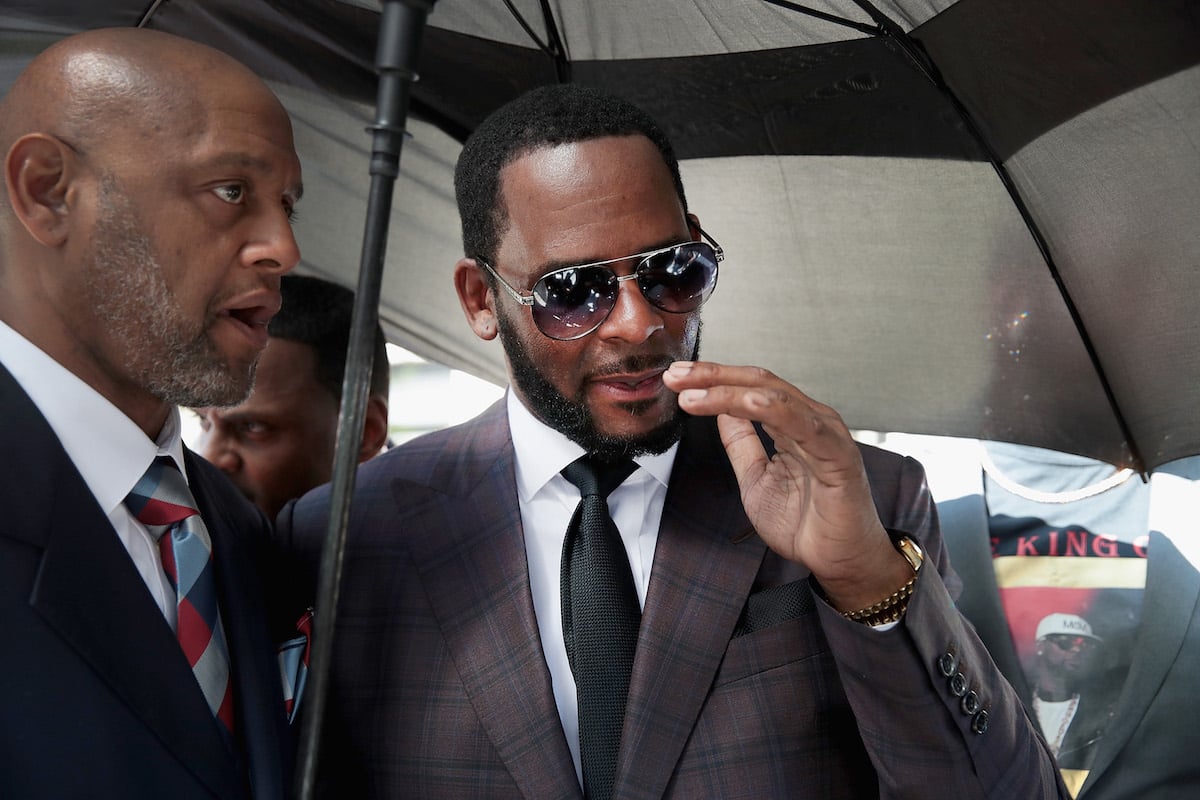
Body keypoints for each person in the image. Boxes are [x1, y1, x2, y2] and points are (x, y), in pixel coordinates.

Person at [273, 84, 1066, 798]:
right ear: (482, 298)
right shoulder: (344, 533)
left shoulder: (859, 497)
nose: (640, 322)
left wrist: (865, 581)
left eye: (670, 270)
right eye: (572, 291)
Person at [0, 28, 303, 799]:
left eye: (286, 205)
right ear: (45, 190)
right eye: (231, 190)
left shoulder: (233, 526)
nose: (283, 248)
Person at [921, 437, 1200, 799]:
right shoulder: (910, 495)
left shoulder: (1188, 489)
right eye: (1065, 643)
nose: (1075, 652)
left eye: (1082, 644)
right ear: (1043, 647)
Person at [195, 273, 391, 520]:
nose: (210, 459)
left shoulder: (432, 548)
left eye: (253, 427)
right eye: (204, 423)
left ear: (364, 432)